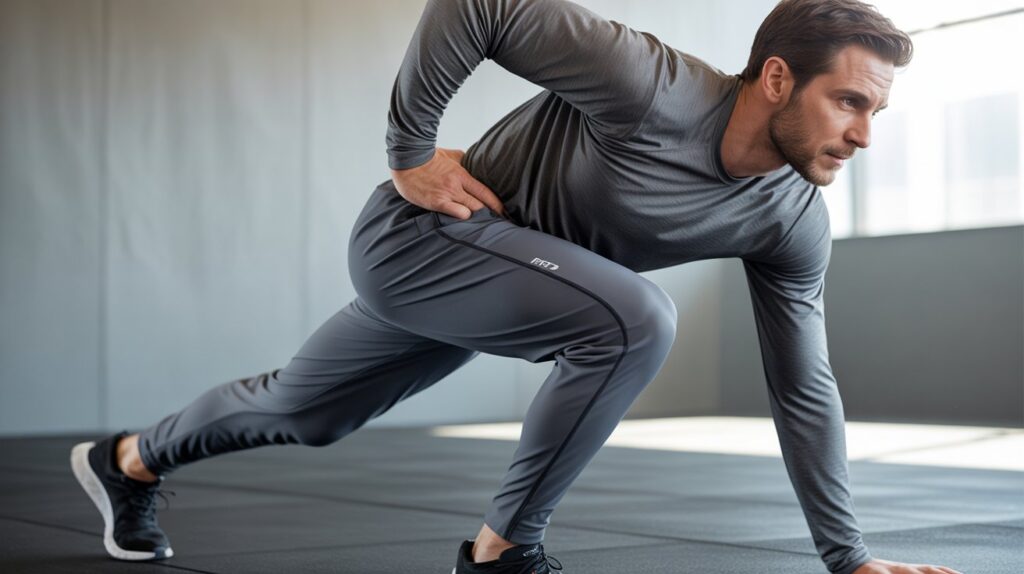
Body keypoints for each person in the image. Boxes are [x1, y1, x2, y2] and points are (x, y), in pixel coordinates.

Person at [70, 1, 965, 573]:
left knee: (308, 413)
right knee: (636, 319)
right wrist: (411, 151)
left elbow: (803, 388)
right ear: (776, 78)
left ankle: (127, 461)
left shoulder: (790, 218)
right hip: (422, 239)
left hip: (505, 284)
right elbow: (482, 5)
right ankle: (502, 554)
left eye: (877, 111)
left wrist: (848, 559)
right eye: (850, 102)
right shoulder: (652, 86)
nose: (864, 134)